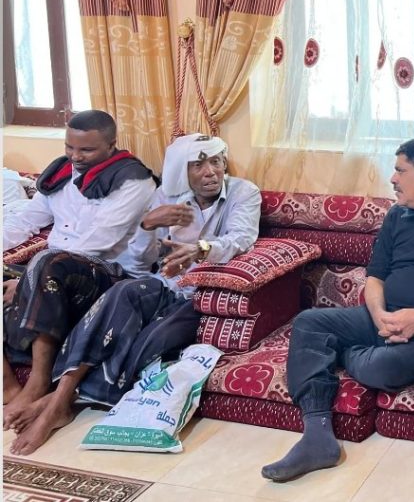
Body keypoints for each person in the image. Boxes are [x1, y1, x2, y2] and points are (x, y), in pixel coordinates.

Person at [261, 137, 414, 482]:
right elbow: (375, 276)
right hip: (382, 318)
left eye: (400, 171)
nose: (392, 178)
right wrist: (378, 315)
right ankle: (317, 435)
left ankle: (340, 352)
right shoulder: (397, 215)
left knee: (381, 367)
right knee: (309, 323)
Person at [7, 133, 261, 455]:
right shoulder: (165, 197)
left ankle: (59, 401)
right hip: (159, 284)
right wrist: (147, 227)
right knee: (122, 294)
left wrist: (201, 249)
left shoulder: (243, 192)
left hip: (195, 295)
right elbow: (141, 262)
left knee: (150, 342)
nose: (211, 172)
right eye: (198, 165)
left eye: (216, 162)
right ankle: (58, 400)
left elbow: (240, 238)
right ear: (182, 171)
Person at [2, 110, 156, 425]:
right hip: (55, 267)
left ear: (111, 145)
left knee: (45, 262)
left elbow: (98, 241)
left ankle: (38, 382)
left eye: (86, 150)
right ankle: (6, 384)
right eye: (69, 147)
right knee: (44, 263)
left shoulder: (133, 181)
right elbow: (26, 221)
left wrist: (29, 281)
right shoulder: (60, 174)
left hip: (109, 274)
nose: (75, 156)